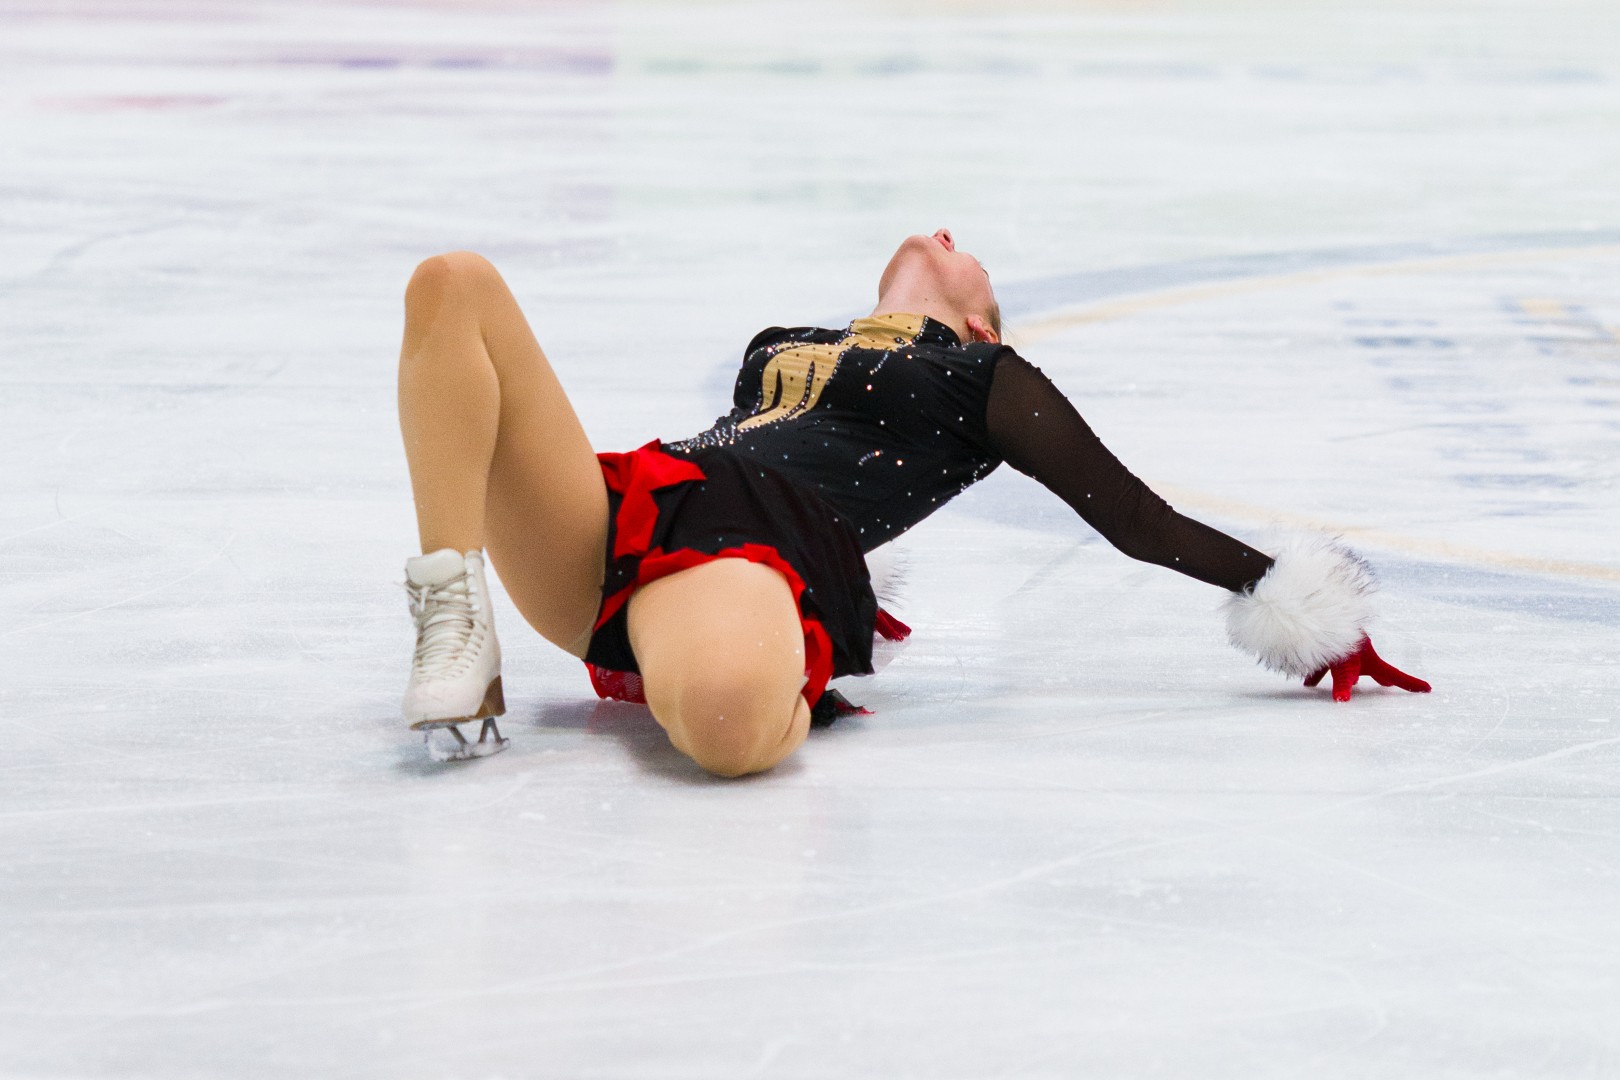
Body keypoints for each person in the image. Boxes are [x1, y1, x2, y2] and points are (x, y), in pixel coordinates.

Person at [396, 229, 1430, 773]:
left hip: (748, 555)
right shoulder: (784, 345)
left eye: (970, 255)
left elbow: (1133, 517)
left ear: (982, 326)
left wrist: (1300, 605)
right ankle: (451, 614)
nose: (944, 233)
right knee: (456, 281)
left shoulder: (985, 378)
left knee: (721, 726)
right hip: (621, 515)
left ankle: (774, 673)